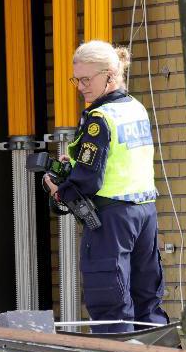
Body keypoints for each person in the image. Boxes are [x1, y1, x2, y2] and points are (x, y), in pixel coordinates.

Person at [44, 40, 169, 333]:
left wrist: (60, 190)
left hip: (111, 219)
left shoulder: (99, 119)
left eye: (87, 80)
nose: (80, 87)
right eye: (77, 79)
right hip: (145, 215)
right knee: (146, 299)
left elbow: (88, 180)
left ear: (110, 76)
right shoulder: (136, 108)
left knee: (111, 304)